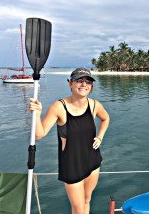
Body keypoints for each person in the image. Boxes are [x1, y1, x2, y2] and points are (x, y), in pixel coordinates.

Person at [29, 67, 110, 214]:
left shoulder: (94, 105)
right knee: (78, 210)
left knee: (87, 200)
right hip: (71, 165)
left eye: (88, 81)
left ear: (91, 86)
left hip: (92, 160)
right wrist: (37, 114)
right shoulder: (59, 107)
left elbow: (105, 118)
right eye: (79, 80)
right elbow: (39, 135)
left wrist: (100, 136)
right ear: (70, 84)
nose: (83, 84)